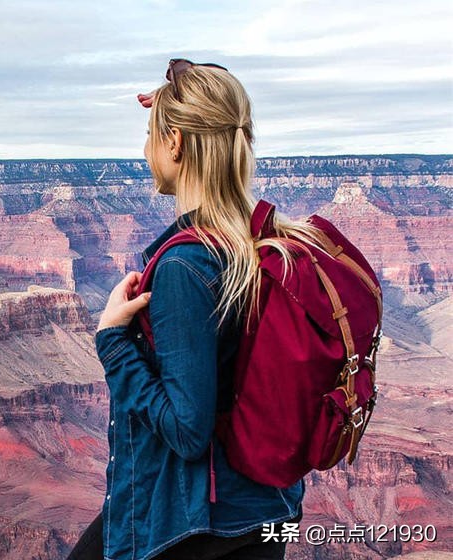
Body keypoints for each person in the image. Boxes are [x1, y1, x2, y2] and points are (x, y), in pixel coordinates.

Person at [66, 59, 324, 560]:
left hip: (199, 527)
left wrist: (112, 342)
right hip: (264, 511)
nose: (144, 150)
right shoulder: (266, 241)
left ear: (176, 143)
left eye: (149, 134)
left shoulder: (185, 266)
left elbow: (187, 431)